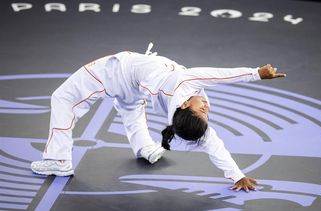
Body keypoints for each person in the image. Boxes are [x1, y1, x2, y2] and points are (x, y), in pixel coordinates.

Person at [31, 44, 286, 192]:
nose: (206, 105)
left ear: (186, 105)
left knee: (63, 98)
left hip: (120, 71)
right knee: (130, 106)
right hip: (138, 84)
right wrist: (237, 175)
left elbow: (218, 75)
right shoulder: (184, 112)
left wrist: (256, 74)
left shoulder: (186, 86)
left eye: (203, 109)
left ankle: (57, 159)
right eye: (205, 111)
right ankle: (146, 148)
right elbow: (214, 144)